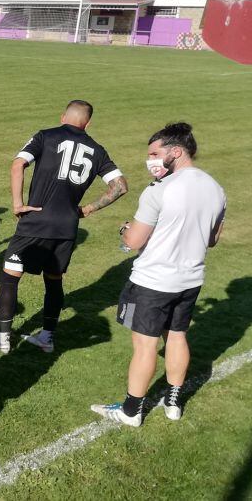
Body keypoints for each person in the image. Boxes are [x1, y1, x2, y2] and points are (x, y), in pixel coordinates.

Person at [92, 123, 226, 426]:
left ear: (176, 152)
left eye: (155, 153)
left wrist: (125, 230)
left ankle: (131, 411)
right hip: (190, 279)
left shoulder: (160, 190)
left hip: (153, 281)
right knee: (177, 336)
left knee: (146, 345)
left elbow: (134, 241)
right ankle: (173, 402)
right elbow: (212, 239)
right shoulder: (215, 188)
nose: (150, 159)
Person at [0, 100, 127, 354]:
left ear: (62, 116)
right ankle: (46, 338)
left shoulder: (45, 136)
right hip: (66, 228)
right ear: (87, 123)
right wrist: (86, 209)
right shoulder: (97, 150)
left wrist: (17, 204)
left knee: (10, 276)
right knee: (54, 281)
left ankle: (2, 339)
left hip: (35, 222)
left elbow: (17, 164)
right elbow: (121, 186)